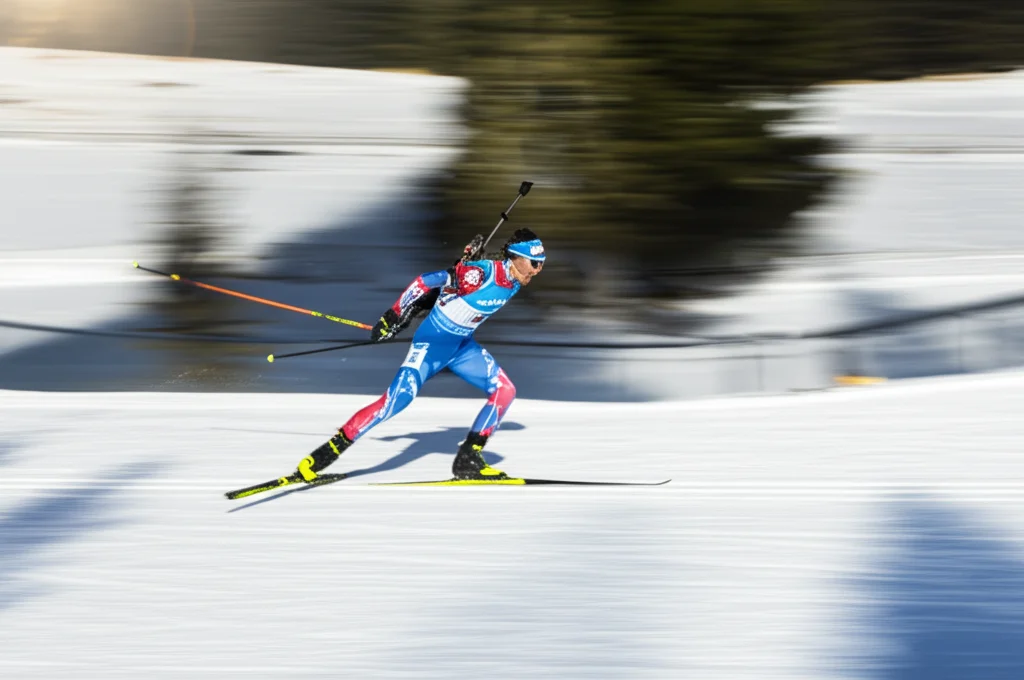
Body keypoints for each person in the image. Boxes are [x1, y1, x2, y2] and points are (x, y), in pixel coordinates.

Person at [293, 228, 546, 482]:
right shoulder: (480, 274)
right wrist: (394, 316)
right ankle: (320, 458)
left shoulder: (513, 278)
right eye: (534, 264)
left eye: (541, 264)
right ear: (516, 258)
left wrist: (466, 261)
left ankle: (468, 460)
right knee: (395, 402)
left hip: (460, 347)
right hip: (431, 346)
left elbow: (457, 290)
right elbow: (425, 281)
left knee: (505, 390)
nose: (537, 270)